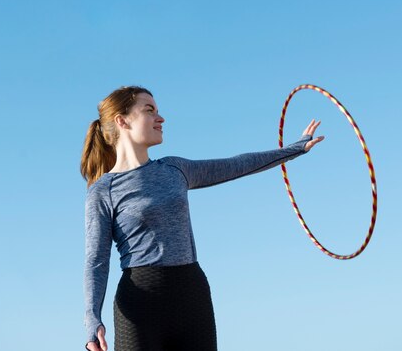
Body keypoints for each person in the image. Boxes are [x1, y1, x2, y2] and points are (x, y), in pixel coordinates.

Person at [81, 86, 324, 351]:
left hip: (192, 295)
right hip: (141, 304)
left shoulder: (175, 169)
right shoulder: (104, 190)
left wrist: (294, 149)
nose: (161, 118)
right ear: (122, 120)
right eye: (149, 110)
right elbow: (97, 260)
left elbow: (237, 164)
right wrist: (93, 321)